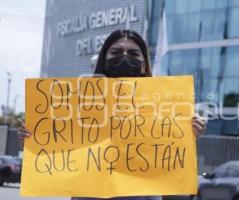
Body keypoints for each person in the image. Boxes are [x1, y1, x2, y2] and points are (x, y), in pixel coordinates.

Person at [18, 30, 206, 200]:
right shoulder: (79, 104)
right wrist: (33, 139)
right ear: (104, 59)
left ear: (143, 64)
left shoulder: (165, 108)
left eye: (133, 54)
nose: (124, 58)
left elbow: (172, 183)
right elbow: (58, 155)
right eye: (116, 52)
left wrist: (187, 135)